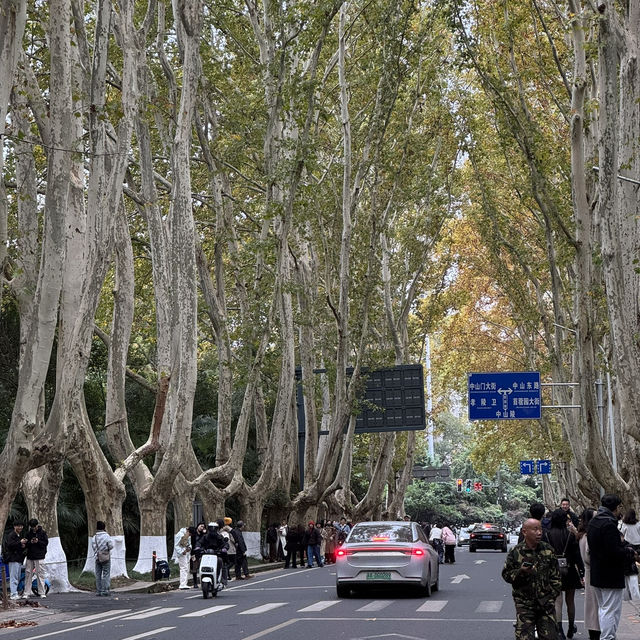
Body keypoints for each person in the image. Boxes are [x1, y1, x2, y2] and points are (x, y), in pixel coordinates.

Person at [587, 494, 639, 640]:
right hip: (610, 574)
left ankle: (607, 636)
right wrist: (629, 552)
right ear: (616, 508)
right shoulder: (609, 524)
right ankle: (608, 637)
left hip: (597, 572)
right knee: (611, 610)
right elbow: (613, 551)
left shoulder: (593, 522)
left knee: (604, 608)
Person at [502, 518, 562, 640]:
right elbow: (506, 575)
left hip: (546, 604)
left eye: (540, 529)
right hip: (525, 604)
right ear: (525, 532)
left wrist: (552, 595)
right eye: (535, 530)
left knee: (550, 636)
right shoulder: (516, 552)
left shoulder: (548, 550)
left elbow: (556, 576)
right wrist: (521, 572)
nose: (539, 533)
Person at [545, 508, 584, 639]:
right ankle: (571, 626)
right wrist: (582, 571)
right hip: (570, 569)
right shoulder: (570, 535)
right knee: (570, 601)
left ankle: (559, 629)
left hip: (553, 569)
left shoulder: (547, 535)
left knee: (557, 600)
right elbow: (577, 555)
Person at [578, 508, 600, 640]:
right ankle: (595, 631)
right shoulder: (588, 536)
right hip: (593, 572)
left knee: (592, 605)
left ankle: (594, 630)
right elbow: (589, 556)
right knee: (594, 606)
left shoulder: (582, 535)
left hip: (590, 572)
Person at [2, 521, 26, 600]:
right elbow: (10, 545)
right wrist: (20, 542)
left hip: (18, 559)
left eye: (21, 526)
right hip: (13, 559)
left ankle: (14, 592)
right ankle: (13, 594)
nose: (20, 528)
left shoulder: (17, 535)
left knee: (17, 577)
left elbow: (16, 545)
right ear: (14, 527)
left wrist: (22, 545)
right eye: (18, 526)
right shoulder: (11, 535)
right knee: (14, 577)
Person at [24, 518, 48, 599]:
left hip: (40, 556)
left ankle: (42, 592)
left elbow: (45, 543)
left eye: (34, 526)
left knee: (40, 574)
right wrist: (30, 542)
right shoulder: (28, 533)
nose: (33, 528)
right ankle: (26, 592)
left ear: (37, 525)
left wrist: (38, 541)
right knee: (28, 574)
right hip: (30, 556)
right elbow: (26, 544)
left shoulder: (43, 533)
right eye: (32, 527)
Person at [92, 521, 114, 597]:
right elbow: (111, 546)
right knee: (106, 574)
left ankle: (98, 591)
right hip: (105, 557)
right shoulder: (107, 536)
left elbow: (93, 547)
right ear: (104, 528)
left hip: (97, 557)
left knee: (98, 574)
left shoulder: (94, 537)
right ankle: (105, 591)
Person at [190, 522, 207, 588]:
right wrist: (192, 554)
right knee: (194, 568)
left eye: (203, 527)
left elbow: (205, 542)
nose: (202, 528)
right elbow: (192, 543)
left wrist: (204, 533)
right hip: (194, 552)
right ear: (198, 526)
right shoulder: (194, 534)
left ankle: (203, 581)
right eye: (201, 526)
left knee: (202, 568)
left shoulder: (203, 534)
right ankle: (195, 583)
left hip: (202, 552)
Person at [221, 517, 236, 582]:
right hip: (231, 549)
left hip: (225, 549)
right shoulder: (229, 531)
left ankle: (228, 576)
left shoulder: (221, 530)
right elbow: (233, 539)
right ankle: (226, 573)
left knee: (227, 562)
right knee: (232, 562)